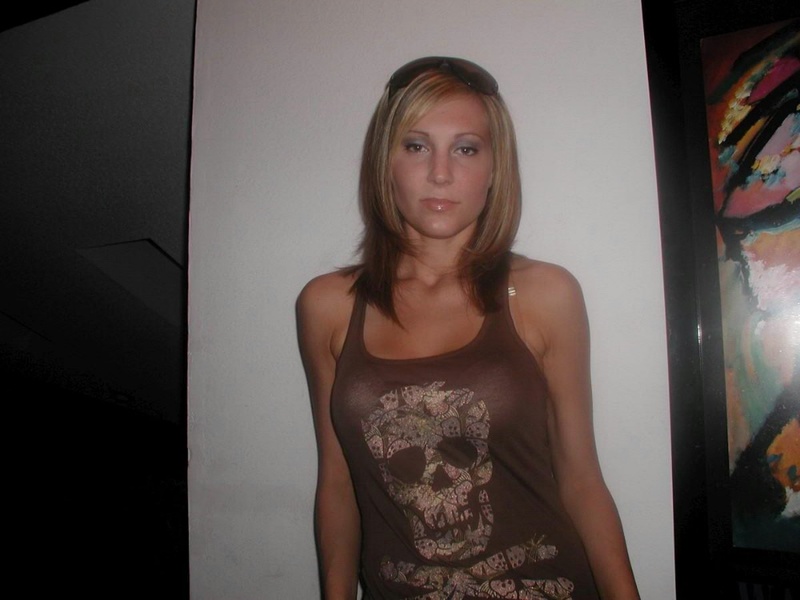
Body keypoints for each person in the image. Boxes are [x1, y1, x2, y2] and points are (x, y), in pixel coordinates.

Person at [297, 56, 640, 600]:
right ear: (384, 162)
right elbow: (338, 483)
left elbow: (581, 478)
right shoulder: (329, 306)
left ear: (495, 167)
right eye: (416, 146)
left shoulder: (544, 294)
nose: (440, 173)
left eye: (465, 149)